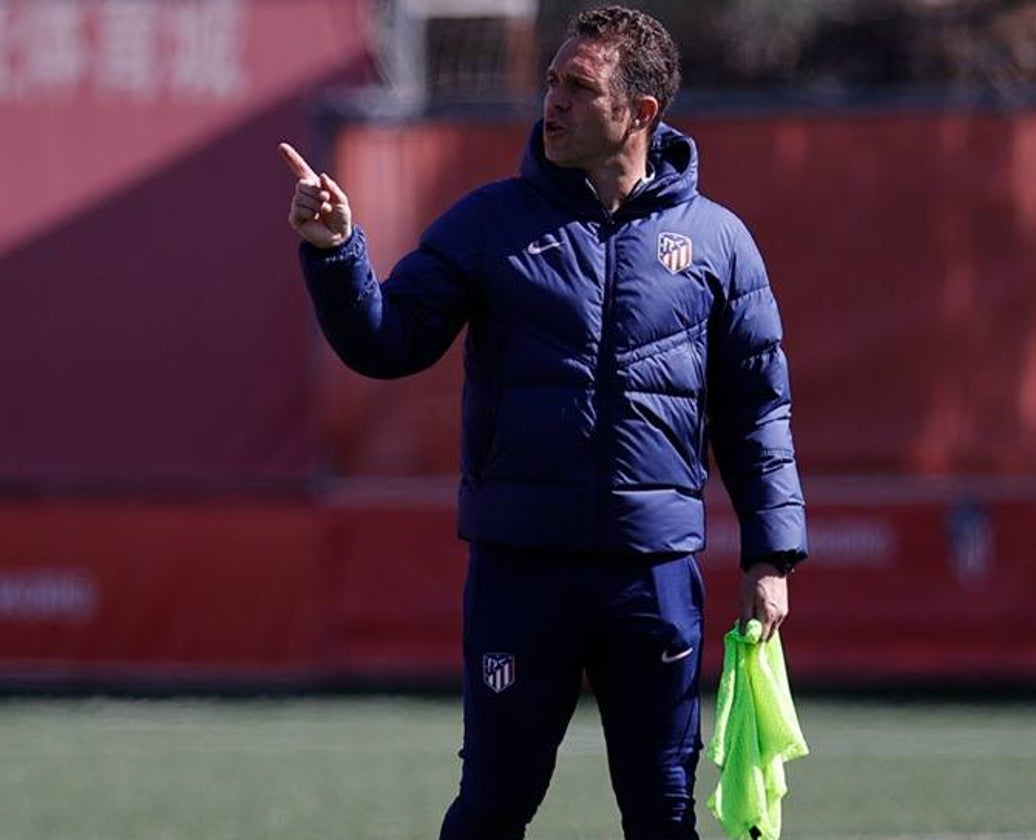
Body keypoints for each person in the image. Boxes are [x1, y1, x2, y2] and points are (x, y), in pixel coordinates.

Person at [280, 6, 806, 839]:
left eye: (577, 87)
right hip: (522, 571)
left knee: (664, 814)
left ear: (641, 113)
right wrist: (337, 253)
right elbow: (388, 342)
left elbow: (756, 412)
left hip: (654, 574)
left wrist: (771, 557)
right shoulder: (488, 223)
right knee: (492, 807)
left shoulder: (718, 243)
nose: (550, 102)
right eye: (550, 82)